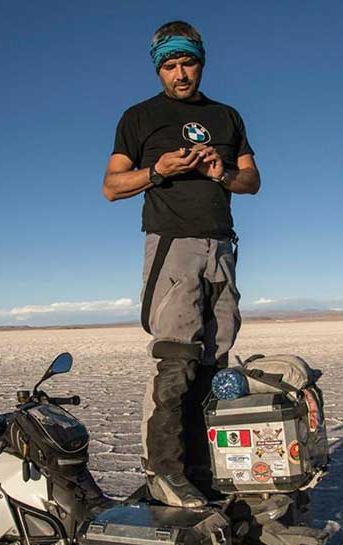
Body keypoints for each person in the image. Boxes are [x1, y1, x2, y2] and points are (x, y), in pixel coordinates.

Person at [103, 20, 260, 508]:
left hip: (222, 248)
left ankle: (200, 466)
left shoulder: (227, 116)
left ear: (201, 61)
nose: (180, 74)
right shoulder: (139, 117)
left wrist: (222, 172)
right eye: (169, 66)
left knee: (214, 363)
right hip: (174, 246)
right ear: (158, 69)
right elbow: (112, 186)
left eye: (187, 62)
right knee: (176, 362)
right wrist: (157, 171)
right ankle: (165, 473)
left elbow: (252, 181)